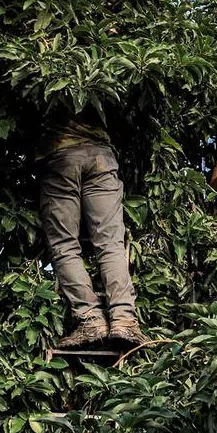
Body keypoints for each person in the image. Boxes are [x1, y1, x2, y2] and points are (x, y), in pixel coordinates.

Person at [37, 106, 150, 350]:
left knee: (64, 246)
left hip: (60, 155)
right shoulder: (104, 71)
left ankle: (91, 320)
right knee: (111, 244)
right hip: (100, 157)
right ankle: (124, 320)